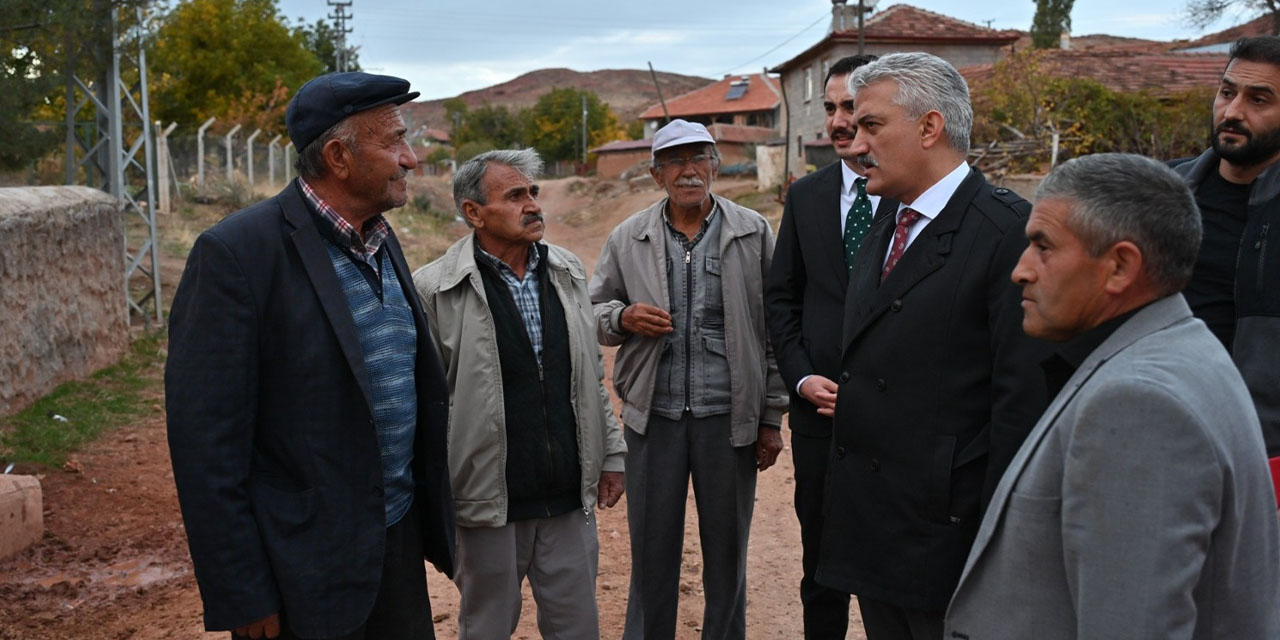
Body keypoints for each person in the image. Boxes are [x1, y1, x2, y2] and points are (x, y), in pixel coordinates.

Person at [165, 72, 455, 640]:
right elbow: (206, 446)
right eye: (394, 141)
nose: (411, 158)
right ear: (339, 156)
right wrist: (243, 592)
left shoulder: (382, 236)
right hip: (302, 567)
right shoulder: (237, 255)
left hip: (394, 546)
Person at [946, 152, 1280, 639]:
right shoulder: (1179, 348)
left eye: (1043, 247)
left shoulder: (1140, 403)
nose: (1021, 270)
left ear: (1121, 266)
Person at [817, 52, 1049, 640]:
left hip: (947, 543)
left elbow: (1019, 406)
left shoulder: (1004, 234)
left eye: (871, 125)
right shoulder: (884, 222)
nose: (854, 141)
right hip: (876, 532)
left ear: (929, 128)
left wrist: (999, 549)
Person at [412, 149, 626, 639]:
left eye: (533, 192)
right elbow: (428, 403)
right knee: (487, 625)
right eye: (515, 195)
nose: (533, 205)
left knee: (577, 626)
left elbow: (590, 374)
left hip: (568, 497)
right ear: (473, 212)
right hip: (487, 501)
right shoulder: (435, 288)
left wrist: (611, 452)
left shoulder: (566, 270)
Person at [589, 119, 788, 640]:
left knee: (728, 550)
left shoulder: (752, 231)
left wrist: (771, 417)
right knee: (651, 550)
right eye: (676, 161)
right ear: (656, 174)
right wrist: (624, 317)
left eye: (699, 158)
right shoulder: (629, 236)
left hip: (728, 418)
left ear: (716, 166)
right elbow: (590, 312)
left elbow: (775, 329)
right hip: (653, 417)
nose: (689, 170)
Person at [764, 54, 894, 640]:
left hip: (895, 420)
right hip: (818, 417)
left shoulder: (916, 199)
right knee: (820, 563)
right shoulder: (807, 196)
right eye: (832, 108)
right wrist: (798, 377)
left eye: (853, 109)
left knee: (891, 569)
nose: (840, 122)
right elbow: (782, 300)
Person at [1172, 35, 1280, 456]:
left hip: (1263, 457)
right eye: (1227, 92)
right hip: (1165, 435)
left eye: (1259, 100)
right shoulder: (1158, 197)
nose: (1232, 112)